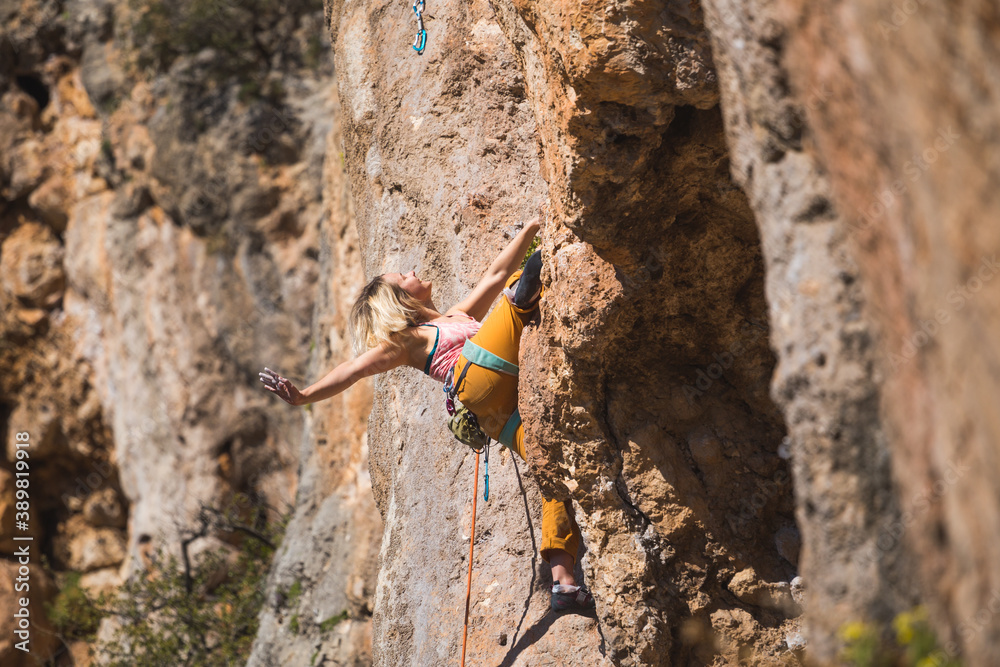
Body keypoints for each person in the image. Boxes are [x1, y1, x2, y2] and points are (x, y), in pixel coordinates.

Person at [259, 216, 594, 612]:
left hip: (493, 409)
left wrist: (532, 228)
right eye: (404, 275)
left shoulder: (456, 315)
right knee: (516, 286)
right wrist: (305, 396)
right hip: (476, 373)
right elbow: (352, 370)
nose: (413, 271)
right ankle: (527, 290)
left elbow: (493, 271)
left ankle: (564, 585)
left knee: (550, 469)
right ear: (401, 299)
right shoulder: (406, 341)